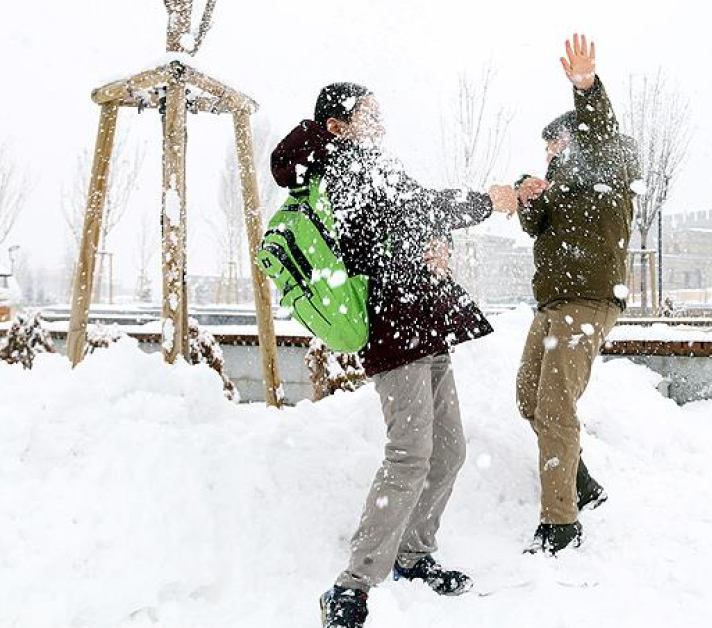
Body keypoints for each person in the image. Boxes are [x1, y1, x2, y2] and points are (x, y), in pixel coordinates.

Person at [270, 82, 520, 628]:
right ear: (338, 126)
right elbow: (417, 209)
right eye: (369, 115)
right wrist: (488, 201)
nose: (380, 123)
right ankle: (352, 586)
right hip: (394, 325)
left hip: (424, 320)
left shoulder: (370, 163)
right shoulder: (342, 167)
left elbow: (411, 222)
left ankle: (413, 555)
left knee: (449, 449)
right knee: (410, 452)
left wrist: (439, 246)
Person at [513, 34, 640, 555]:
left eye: (556, 145)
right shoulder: (560, 186)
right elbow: (535, 226)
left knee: (555, 406)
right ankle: (581, 481)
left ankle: (561, 523)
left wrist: (586, 88)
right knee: (529, 397)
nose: (550, 154)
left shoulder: (609, 165)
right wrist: (527, 196)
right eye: (546, 149)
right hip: (553, 305)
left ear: (578, 140)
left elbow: (601, 131)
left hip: (588, 302)